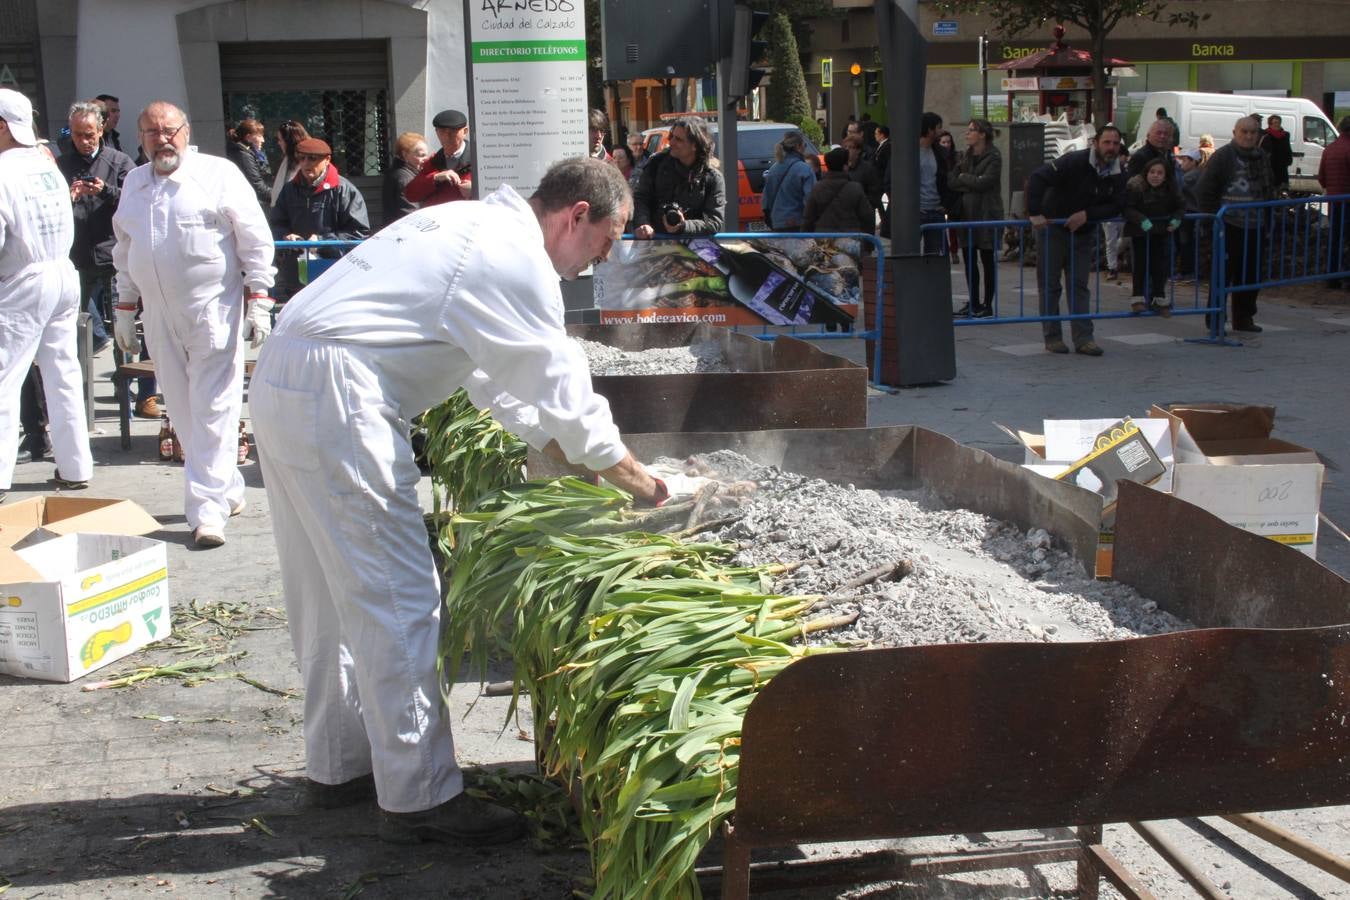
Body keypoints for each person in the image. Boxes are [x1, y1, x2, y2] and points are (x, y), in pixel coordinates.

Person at [250, 156, 670, 845]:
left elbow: (490, 377)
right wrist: (632, 475)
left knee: (328, 593)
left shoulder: (466, 222)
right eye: (604, 242)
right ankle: (421, 802)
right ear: (576, 216)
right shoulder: (513, 258)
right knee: (399, 597)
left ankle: (341, 769)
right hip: (336, 393)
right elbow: (557, 379)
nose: (596, 262)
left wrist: (564, 454)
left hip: (287, 374)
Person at [111, 100, 277, 547]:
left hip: (212, 309)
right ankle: (227, 489)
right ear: (140, 138)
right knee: (182, 410)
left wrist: (260, 298)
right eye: (151, 132)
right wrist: (125, 307)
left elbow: (255, 239)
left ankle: (205, 513)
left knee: (215, 408)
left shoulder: (218, 174)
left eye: (169, 129)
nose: (162, 138)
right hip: (159, 314)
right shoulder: (134, 183)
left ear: (186, 130)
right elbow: (125, 251)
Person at [0, 88, 94, 501]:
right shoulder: (45, 165)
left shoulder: (3, 172)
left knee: (5, 377)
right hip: (61, 272)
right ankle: (75, 466)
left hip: (23, 278)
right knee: (62, 371)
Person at [1026, 125, 1127, 356]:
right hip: (1053, 229)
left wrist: (1087, 215)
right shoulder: (1074, 161)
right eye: (1106, 142)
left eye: (1115, 143)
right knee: (1050, 286)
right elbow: (1038, 177)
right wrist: (1034, 212)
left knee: (1079, 286)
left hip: (1083, 233)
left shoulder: (1118, 171)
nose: (1111, 148)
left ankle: (1084, 339)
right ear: (1095, 143)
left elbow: (1117, 204)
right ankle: (1052, 338)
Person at [56, 101, 135, 360]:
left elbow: (137, 200)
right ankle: (81, 382)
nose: (84, 141)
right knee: (78, 325)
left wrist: (105, 191)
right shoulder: (61, 164)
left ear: (101, 130)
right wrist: (68, 198)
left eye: (89, 134)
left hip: (114, 253)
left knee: (121, 325)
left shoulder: (119, 161)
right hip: (77, 256)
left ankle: (122, 384)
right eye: (77, 134)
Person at [1196, 115, 1275, 333]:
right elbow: (1205, 190)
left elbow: (1269, 191)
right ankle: (1215, 319)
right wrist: (1214, 220)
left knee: (1251, 275)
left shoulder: (1261, 157)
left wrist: (1269, 222)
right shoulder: (1223, 156)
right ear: (1235, 133)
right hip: (1228, 225)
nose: (1249, 136)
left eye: (1253, 132)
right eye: (1244, 132)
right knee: (1223, 275)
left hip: (1255, 225)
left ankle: (1244, 318)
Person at [271, 137, 370, 257]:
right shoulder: (289, 189)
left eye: (312, 158)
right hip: (295, 263)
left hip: (332, 265)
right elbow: (276, 224)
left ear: (327, 160)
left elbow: (358, 233)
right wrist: (285, 236)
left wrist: (323, 241)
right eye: (302, 158)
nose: (306, 163)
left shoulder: (344, 190)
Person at [631, 116, 725, 238]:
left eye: (678, 139)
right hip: (654, 242)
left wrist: (684, 226)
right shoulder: (656, 164)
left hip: (696, 246)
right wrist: (643, 223)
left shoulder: (712, 177)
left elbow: (714, 222)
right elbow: (640, 198)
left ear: (695, 145)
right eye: (672, 137)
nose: (671, 143)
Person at [949, 119, 1003, 318]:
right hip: (967, 214)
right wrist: (968, 180)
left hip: (987, 213)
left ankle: (987, 304)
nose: (967, 133)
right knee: (969, 259)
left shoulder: (994, 156)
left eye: (972, 130)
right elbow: (952, 180)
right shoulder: (965, 156)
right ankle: (974, 301)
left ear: (982, 134)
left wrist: (965, 178)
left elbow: (986, 183)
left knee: (987, 260)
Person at [1123, 157, 1184, 316]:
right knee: (1140, 265)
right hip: (1140, 232)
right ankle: (1137, 298)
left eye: (1159, 173)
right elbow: (1128, 208)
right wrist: (1141, 219)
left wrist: (1176, 219)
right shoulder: (1136, 187)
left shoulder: (1169, 189)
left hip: (1160, 231)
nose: (1155, 176)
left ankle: (1159, 298)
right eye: (1152, 172)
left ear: (1165, 176)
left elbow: (1180, 206)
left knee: (1159, 266)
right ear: (1146, 173)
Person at [404, 109, 472, 208]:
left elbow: (499, 191)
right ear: (436, 132)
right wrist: (435, 178)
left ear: (465, 131)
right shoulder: (433, 162)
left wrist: (476, 190)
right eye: (443, 132)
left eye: (453, 132)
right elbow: (411, 194)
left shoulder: (479, 160)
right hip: (440, 220)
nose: (447, 136)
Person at [803, 146, 874, 235]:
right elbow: (867, 217)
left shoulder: (817, 187)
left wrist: (805, 239)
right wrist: (868, 243)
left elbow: (809, 218)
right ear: (845, 166)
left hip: (823, 239)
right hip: (850, 238)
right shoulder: (855, 188)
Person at [1316, 116, 1350, 288]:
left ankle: (1332, 276)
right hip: (1347, 200)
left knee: (1334, 238)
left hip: (1333, 200)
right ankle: (1347, 276)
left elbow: (1321, 178)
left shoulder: (1329, 149)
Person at [761, 130, 815, 231]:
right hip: (797, 223)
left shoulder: (773, 169)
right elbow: (810, 200)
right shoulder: (804, 169)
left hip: (776, 223)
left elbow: (765, 200)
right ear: (798, 146)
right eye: (805, 145)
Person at [916, 112, 952, 256]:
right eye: (938, 127)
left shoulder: (939, 152)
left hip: (936, 210)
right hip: (916, 212)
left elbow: (945, 179)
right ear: (929, 129)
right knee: (910, 254)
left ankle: (933, 279)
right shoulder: (909, 152)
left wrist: (945, 204)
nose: (941, 131)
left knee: (936, 256)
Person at [383, 131, 429, 226]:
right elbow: (410, 213)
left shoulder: (399, 173)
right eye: (421, 155)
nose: (426, 159)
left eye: (426, 155)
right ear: (405, 154)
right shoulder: (405, 178)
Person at [226, 118, 272, 209]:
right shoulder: (243, 155)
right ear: (248, 137)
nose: (263, 140)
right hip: (249, 205)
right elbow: (257, 185)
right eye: (260, 136)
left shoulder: (246, 152)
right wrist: (279, 197)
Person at [270, 120, 309, 207]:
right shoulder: (288, 158)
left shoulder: (306, 161)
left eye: (280, 140)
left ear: (290, 141)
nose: (278, 143)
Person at [1260, 114, 1294, 194]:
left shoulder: (1285, 135)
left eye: (1278, 122)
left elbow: (1288, 148)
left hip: (1282, 166)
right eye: (1274, 123)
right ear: (1270, 124)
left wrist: (1289, 159)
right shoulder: (1266, 135)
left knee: (1282, 189)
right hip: (1271, 166)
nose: (1276, 124)